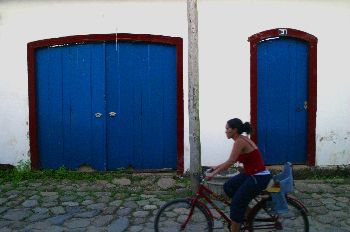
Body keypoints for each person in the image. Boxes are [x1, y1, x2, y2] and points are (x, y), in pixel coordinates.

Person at [205, 118, 271, 232]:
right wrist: (216, 167)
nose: (225, 131)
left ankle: (237, 222)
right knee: (228, 186)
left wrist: (213, 174)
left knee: (236, 204)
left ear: (234, 130)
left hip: (258, 177)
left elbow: (230, 162)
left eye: (227, 128)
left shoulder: (240, 141)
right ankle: (248, 214)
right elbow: (232, 160)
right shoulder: (241, 139)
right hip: (252, 173)